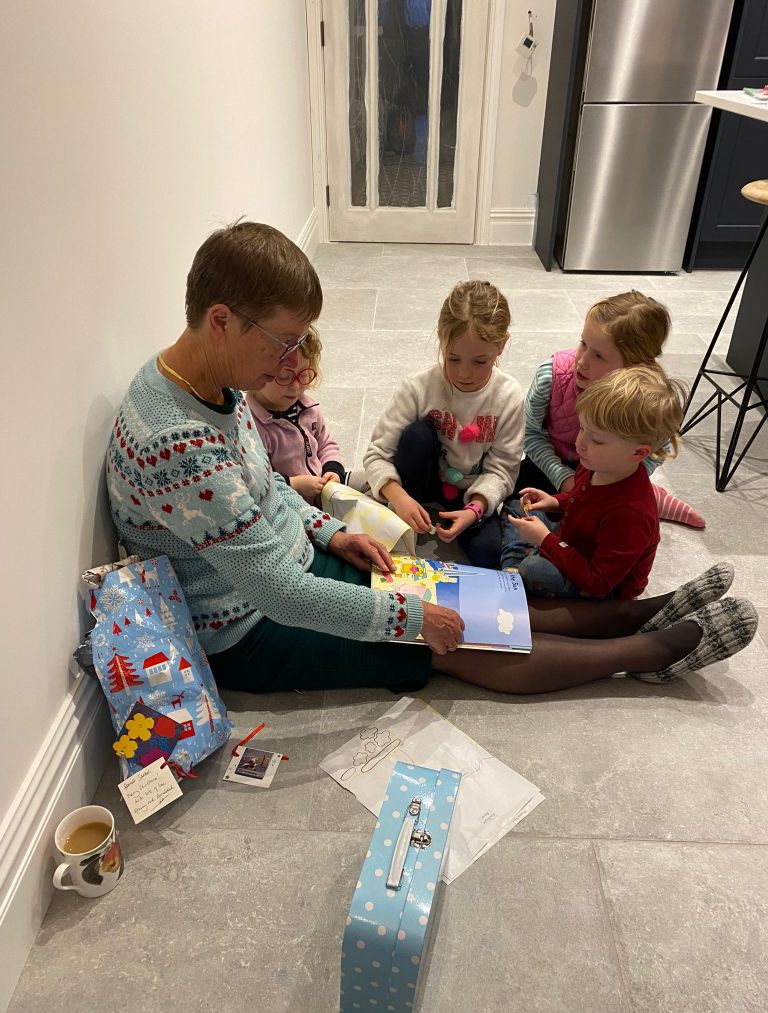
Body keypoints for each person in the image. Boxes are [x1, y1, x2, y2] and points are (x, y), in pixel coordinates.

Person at [105, 221, 756, 696]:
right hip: (249, 629)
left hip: (291, 570)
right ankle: (649, 650)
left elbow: (267, 490)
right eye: (283, 341)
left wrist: (333, 534)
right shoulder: (177, 446)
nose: (293, 361)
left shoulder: (211, 386)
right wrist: (410, 620)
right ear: (222, 321)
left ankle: (641, 611)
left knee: (470, 595)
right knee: (453, 637)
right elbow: (275, 592)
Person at [362, 280, 524, 568]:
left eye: (479, 361)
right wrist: (399, 497)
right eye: (453, 358)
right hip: (420, 481)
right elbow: (376, 454)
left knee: (491, 554)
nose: (464, 373)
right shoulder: (418, 387)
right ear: (441, 339)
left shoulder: (509, 396)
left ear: (501, 345)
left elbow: (503, 470)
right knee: (417, 435)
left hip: (469, 494)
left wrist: (475, 509)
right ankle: (409, 506)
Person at [516, 290, 706, 529]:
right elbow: (530, 433)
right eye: (583, 344)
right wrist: (565, 479)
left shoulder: (649, 398)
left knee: (607, 523)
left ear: (634, 367)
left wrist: (623, 481)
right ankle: (647, 497)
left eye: (598, 355)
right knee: (521, 501)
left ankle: (652, 498)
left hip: (611, 472)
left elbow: (659, 448)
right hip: (552, 464)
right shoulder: (551, 376)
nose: (582, 361)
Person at [501, 365, 684, 598]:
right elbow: (583, 500)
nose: (580, 443)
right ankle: (514, 571)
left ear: (638, 452)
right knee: (518, 505)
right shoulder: (596, 465)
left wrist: (545, 540)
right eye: (582, 428)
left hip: (602, 587)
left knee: (534, 570)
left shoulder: (629, 514)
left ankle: (515, 570)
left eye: (597, 440)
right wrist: (555, 502)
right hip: (574, 543)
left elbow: (599, 581)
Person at [246, 326, 345, 506]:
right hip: (292, 506)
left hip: (324, 493)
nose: (296, 386)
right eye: (285, 376)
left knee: (370, 482)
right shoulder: (252, 426)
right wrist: (294, 484)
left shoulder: (308, 408)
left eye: (304, 375)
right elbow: (258, 481)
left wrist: (333, 470)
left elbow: (326, 444)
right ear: (258, 374)